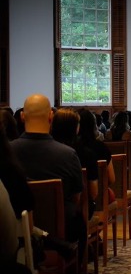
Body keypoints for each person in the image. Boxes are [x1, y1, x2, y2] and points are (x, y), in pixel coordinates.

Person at [10, 94, 84, 261]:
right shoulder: (68, 154)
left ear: (22, 116)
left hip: (15, 228)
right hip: (63, 225)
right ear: (51, 115)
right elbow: (76, 197)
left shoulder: (7, 152)